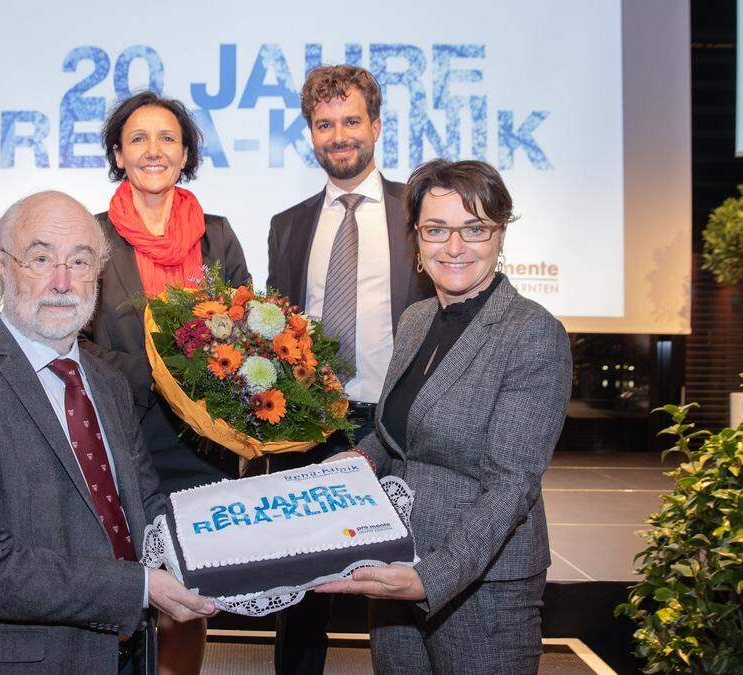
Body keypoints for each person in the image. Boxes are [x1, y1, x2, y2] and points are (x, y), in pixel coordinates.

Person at [0, 191, 216, 674]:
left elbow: (146, 510)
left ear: (98, 274)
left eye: (80, 261)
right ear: (5, 267)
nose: (63, 282)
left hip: (130, 656)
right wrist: (140, 588)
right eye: (41, 258)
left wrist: (231, 544)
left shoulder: (108, 383)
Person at [315, 159, 572, 674]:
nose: (454, 247)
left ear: (499, 234)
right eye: (436, 230)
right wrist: (354, 461)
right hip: (397, 563)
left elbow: (511, 486)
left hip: (482, 586)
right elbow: (396, 437)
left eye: (474, 228)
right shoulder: (415, 320)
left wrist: (432, 577)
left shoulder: (532, 334)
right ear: (416, 238)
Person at [266, 64, 432, 674]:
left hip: (398, 425)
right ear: (311, 133)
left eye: (351, 121)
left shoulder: (417, 212)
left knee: (398, 579)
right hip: (311, 427)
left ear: (377, 127)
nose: (338, 136)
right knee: (303, 591)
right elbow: (275, 331)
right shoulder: (288, 226)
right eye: (324, 124)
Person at [82, 90, 249, 675]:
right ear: (118, 154)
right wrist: (158, 372)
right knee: (118, 580)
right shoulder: (91, 238)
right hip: (116, 435)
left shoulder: (218, 236)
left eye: (167, 139)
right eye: (138, 139)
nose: (154, 150)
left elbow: (247, 330)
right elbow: (72, 337)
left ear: (186, 154)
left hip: (200, 445)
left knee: (186, 592)